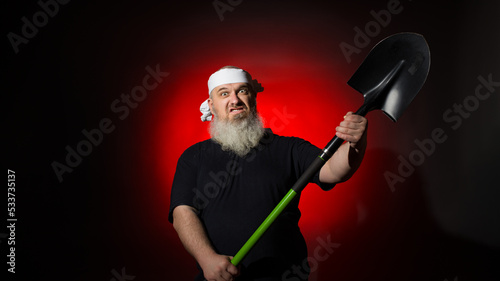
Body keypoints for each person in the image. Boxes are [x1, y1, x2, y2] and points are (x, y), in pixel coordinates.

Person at [169, 66, 367, 281]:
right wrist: (207, 259)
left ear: (253, 98)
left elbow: (333, 171)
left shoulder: (289, 148)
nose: (234, 100)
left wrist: (356, 143)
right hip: (218, 277)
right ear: (211, 104)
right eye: (224, 93)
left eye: (242, 91)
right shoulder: (194, 156)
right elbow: (182, 212)